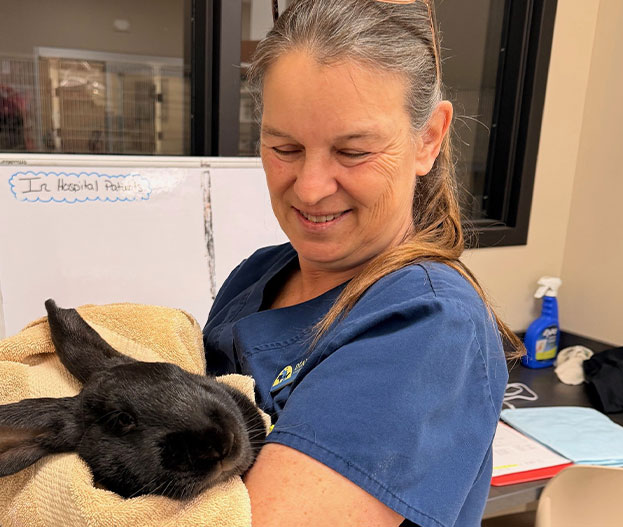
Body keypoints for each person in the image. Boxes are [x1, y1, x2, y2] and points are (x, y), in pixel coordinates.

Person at [202, 1, 519, 526]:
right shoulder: (257, 276)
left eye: (353, 152)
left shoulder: (426, 324)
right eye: (285, 147)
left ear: (428, 138)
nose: (310, 188)